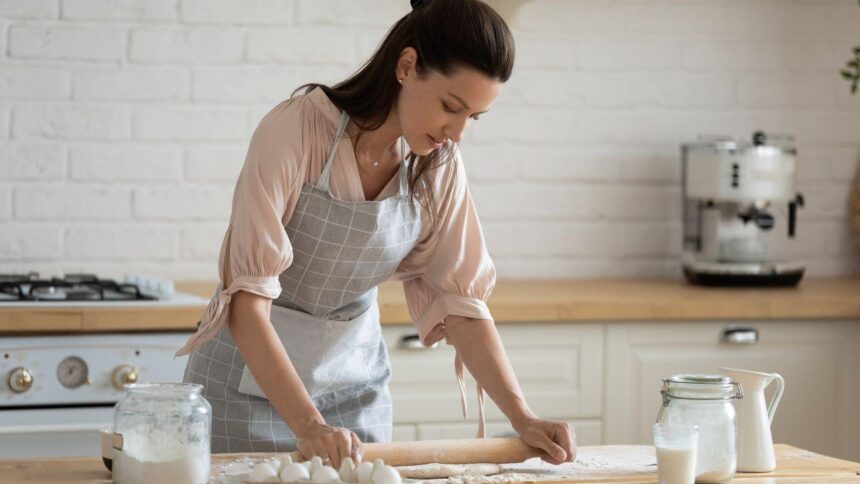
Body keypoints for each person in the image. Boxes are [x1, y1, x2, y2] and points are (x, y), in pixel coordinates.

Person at [177, 0, 576, 467]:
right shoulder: (297, 130)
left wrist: (524, 417)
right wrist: (310, 427)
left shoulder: (437, 165)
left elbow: (463, 307)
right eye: (451, 107)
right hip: (246, 388)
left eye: (473, 117)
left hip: (353, 394)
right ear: (406, 66)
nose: (458, 133)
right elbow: (246, 304)